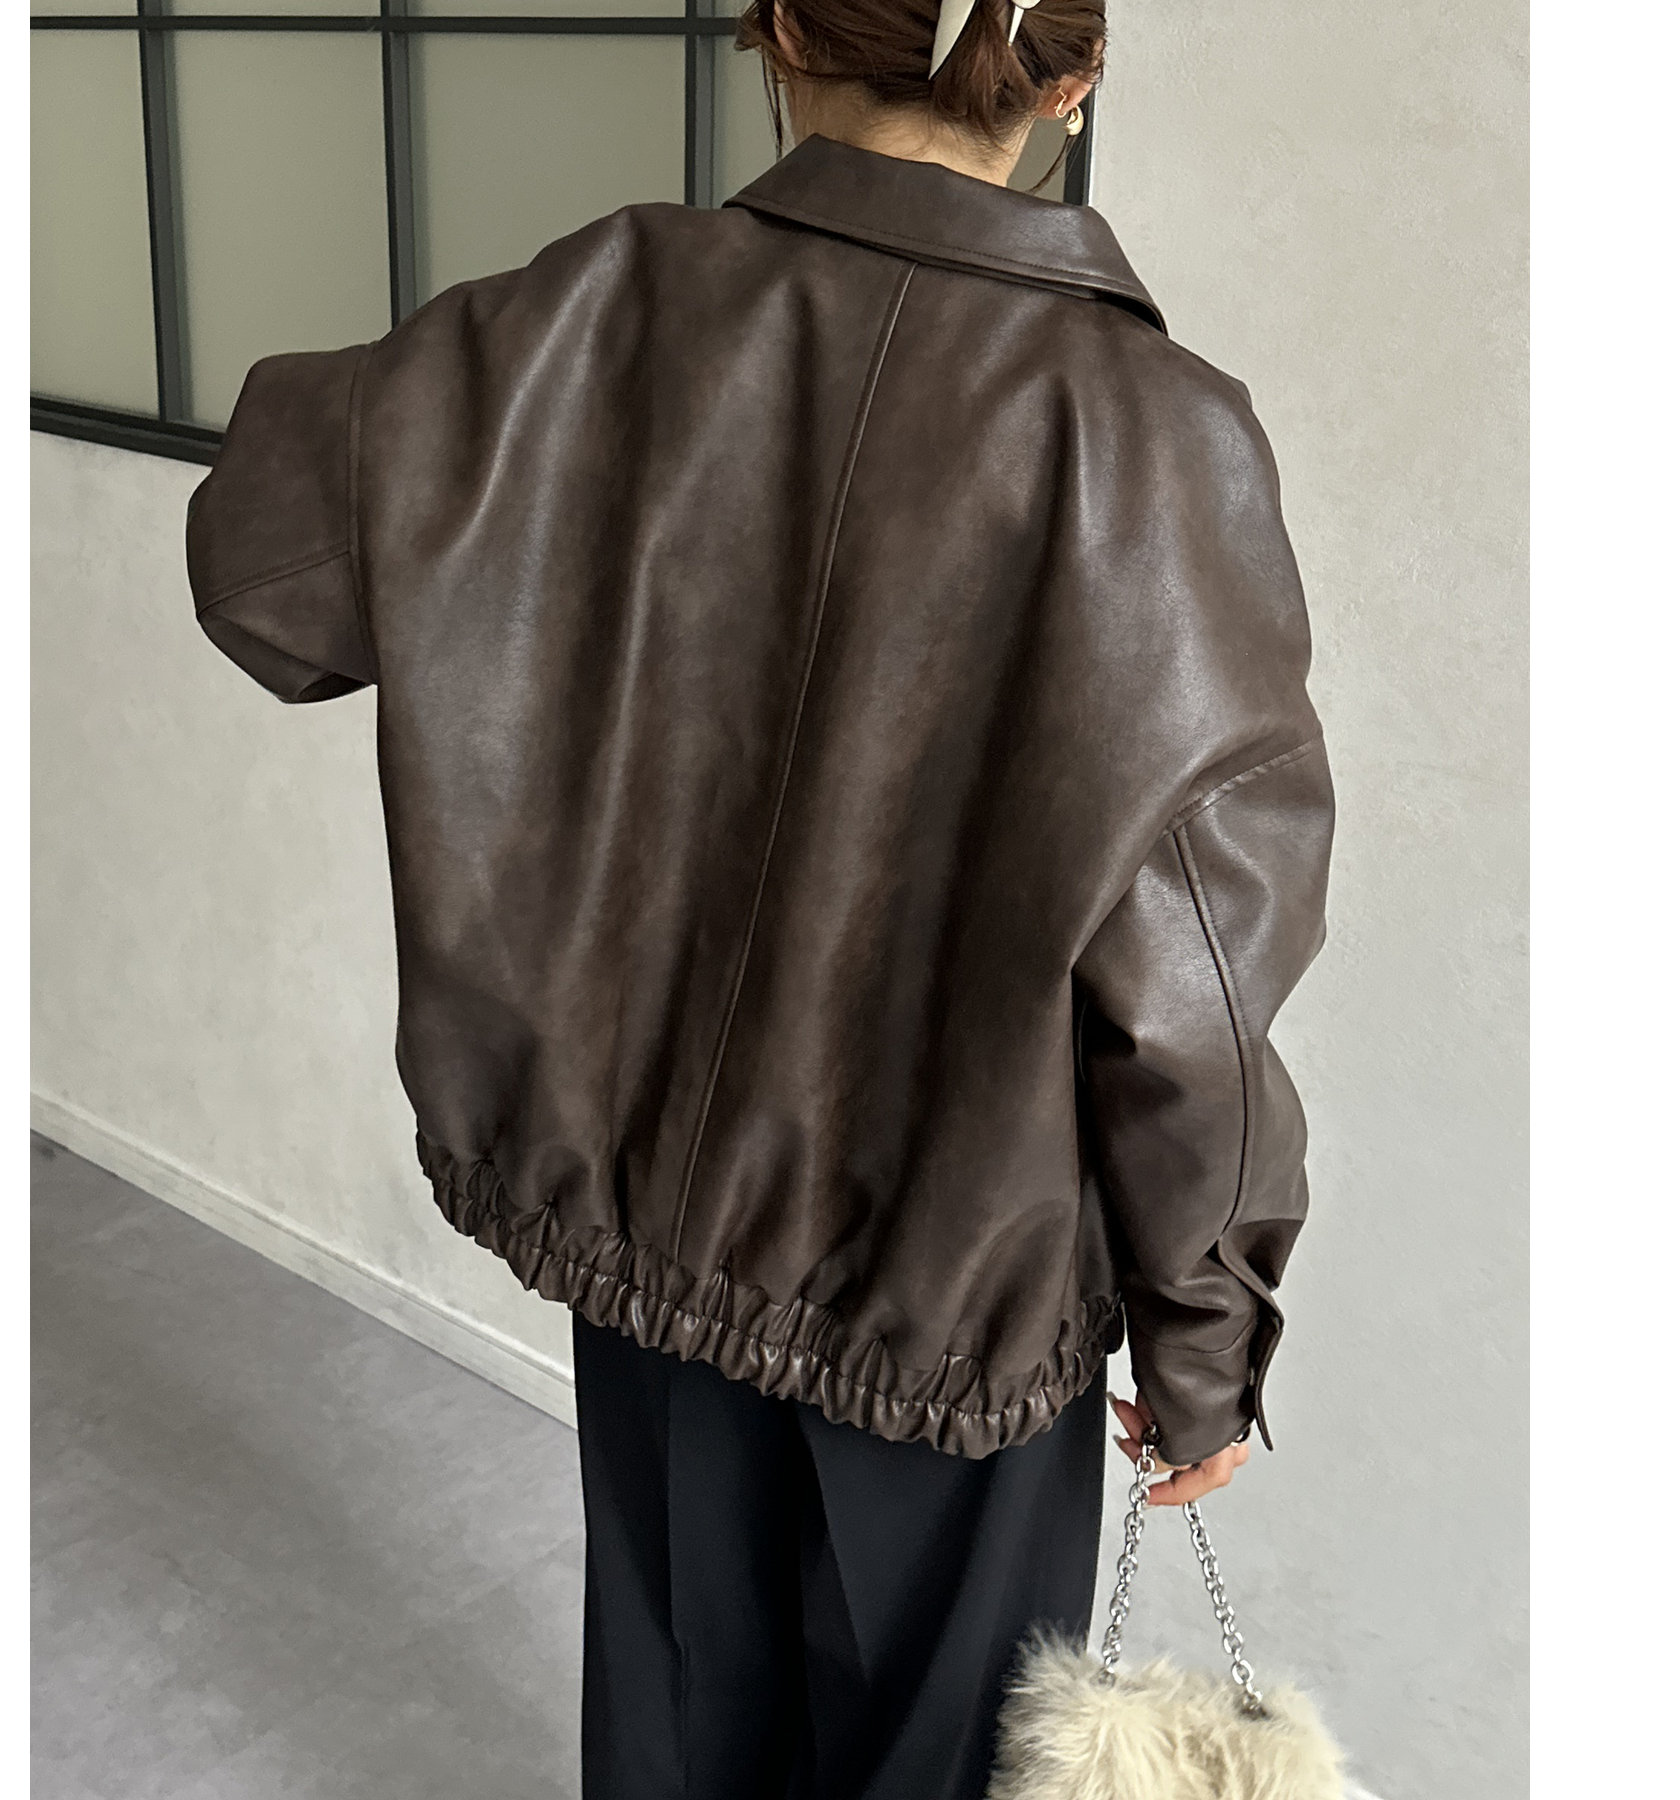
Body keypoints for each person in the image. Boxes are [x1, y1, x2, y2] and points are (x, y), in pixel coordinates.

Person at [184, 0, 1334, 1794]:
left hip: (641, 1235)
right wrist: (1209, 1331)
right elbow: (1192, 974)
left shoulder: (592, 314)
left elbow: (266, 574)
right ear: (1074, 71)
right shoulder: (1156, 440)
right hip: (946, 1296)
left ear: (780, 29)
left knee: (671, 1730)